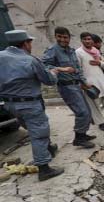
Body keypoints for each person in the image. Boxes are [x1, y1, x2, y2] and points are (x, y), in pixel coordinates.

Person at [0, 30, 64, 181]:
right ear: (25, 43)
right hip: (29, 103)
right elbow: (48, 80)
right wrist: (54, 72)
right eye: (30, 43)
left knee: (33, 129)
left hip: (10, 105)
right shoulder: (30, 60)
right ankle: (44, 168)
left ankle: (48, 148)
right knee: (39, 132)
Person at [42, 27, 95, 148]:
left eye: (65, 37)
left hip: (76, 85)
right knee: (82, 112)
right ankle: (79, 139)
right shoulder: (52, 50)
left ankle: (82, 134)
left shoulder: (70, 50)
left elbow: (77, 68)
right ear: (55, 37)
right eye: (59, 37)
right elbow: (44, 66)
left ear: (69, 38)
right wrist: (62, 69)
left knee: (87, 111)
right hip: (66, 87)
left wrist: (84, 82)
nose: (62, 40)